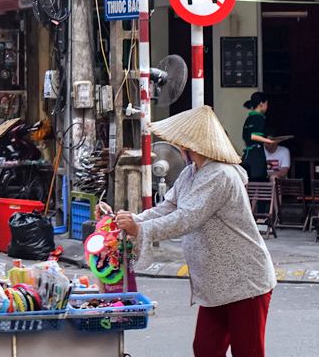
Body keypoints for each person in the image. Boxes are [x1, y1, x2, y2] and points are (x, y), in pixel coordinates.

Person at [110, 105, 275, 357]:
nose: (178, 146)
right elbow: (167, 207)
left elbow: (185, 219)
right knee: (206, 349)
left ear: (191, 144)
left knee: (248, 351)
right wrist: (134, 220)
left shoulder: (220, 175)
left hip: (244, 282)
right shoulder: (190, 173)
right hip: (215, 285)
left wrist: (140, 229)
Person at [242, 92, 273, 181]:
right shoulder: (259, 118)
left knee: (249, 182)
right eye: (266, 104)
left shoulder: (248, 119)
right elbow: (254, 136)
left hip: (248, 157)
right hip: (256, 156)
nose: (267, 106)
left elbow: (246, 137)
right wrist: (269, 141)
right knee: (259, 181)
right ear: (261, 104)